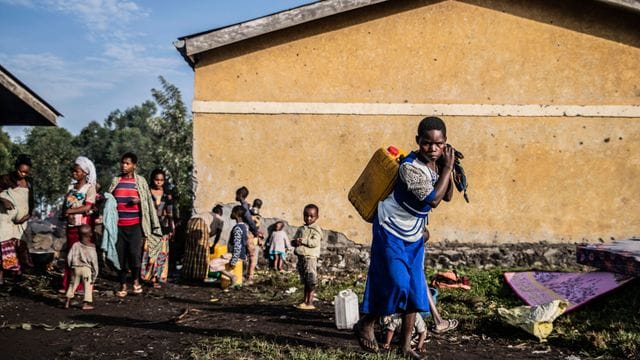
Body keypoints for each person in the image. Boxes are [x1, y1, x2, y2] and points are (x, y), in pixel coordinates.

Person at [355, 116, 455, 359]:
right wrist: (448, 168)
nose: (432, 148)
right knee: (397, 283)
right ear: (417, 142)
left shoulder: (438, 164)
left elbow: (448, 195)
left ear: (445, 144)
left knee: (414, 290)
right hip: (390, 227)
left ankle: (405, 345)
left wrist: (445, 169)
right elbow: (432, 199)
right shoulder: (409, 167)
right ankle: (366, 323)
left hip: (414, 231)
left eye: (438, 144)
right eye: (426, 143)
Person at [107, 152, 163, 297]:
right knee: (121, 256)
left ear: (134, 165)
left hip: (135, 225)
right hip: (118, 226)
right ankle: (123, 285)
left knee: (134, 254)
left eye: (127, 163)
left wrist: (140, 201)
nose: (124, 166)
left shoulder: (140, 182)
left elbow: (148, 201)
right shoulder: (116, 180)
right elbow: (109, 200)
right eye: (123, 163)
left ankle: (136, 282)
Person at [59, 156, 97, 293]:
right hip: (70, 225)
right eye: (73, 171)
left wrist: (71, 210)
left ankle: (81, 286)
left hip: (82, 227)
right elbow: (65, 205)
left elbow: (87, 207)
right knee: (70, 254)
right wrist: (66, 213)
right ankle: (68, 284)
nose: (74, 173)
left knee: (81, 255)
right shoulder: (71, 187)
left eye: (77, 171)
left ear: (85, 173)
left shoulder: (89, 188)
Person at [0, 154, 34, 285]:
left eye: (26, 172)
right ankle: (1, 277)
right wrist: (3, 200)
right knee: (4, 246)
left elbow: (31, 200)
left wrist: (29, 214)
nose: (23, 174)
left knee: (20, 246)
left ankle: (17, 275)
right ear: (15, 168)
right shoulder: (5, 179)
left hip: (21, 222)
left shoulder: (29, 182)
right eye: (20, 171)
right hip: (5, 220)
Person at [141, 168, 174, 288]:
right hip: (149, 226)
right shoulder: (147, 193)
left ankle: (156, 278)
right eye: (156, 180)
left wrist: (171, 228)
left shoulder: (167, 195)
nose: (158, 182)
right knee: (148, 251)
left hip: (163, 227)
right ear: (152, 180)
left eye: (161, 180)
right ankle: (146, 276)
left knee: (161, 253)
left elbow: (170, 213)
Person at [291, 204, 323, 310]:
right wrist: (295, 242)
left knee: (310, 280)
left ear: (316, 217)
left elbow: (315, 242)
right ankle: (305, 301)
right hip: (302, 258)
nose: (308, 218)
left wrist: (303, 241)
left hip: (310, 258)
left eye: (311, 216)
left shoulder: (316, 229)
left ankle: (310, 302)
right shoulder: (301, 229)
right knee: (305, 280)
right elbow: (294, 240)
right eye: (306, 215)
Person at [182, 205, 224, 281]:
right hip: (201, 224)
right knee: (202, 250)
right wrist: (213, 246)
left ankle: (188, 273)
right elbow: (218, 234)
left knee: (190, 249)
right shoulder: (219, 218)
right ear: (220, 213)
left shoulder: (206, 214)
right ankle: (199, 275)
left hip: (191, 222)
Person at [64, 224, 98, 310]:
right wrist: (95, 275)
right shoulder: (92, 247)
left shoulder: (75, 245)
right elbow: (94, 262)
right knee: (88, 286)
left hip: (75, 268)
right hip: (86, 270)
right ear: (90, 234)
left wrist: (70, 266)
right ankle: (85, 304)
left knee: (72, 284)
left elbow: (69, 257)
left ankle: (67, 301)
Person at [235, 187, 262, 285]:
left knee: (251, 255)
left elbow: (250, 220)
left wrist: (255, 232)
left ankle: (250, 277)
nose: (235, 196)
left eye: (236, 194)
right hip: (246, 233)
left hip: (248, 233)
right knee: (244, 254)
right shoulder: (246, 206)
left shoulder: (245, 207)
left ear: (240, 195)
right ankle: (242, 275)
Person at [227, 205, 249, 286]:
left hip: (236, 256)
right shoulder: (245, 227)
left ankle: (232, 277)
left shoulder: (237, 228)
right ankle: (239, 280)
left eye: (232, 211)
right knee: (239, 274)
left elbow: (237, 245)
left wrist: (233, 260)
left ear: (236, 214)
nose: (231, 213)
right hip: (242, 255)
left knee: (213, 264)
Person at [250, 198, 263, 269]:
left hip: (253, 235)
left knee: (253, 252)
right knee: (254, 252)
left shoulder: (250, 212)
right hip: (254, 236)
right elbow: (256, 226)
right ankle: (253, 265)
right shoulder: (255, 214)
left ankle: (253, 265)